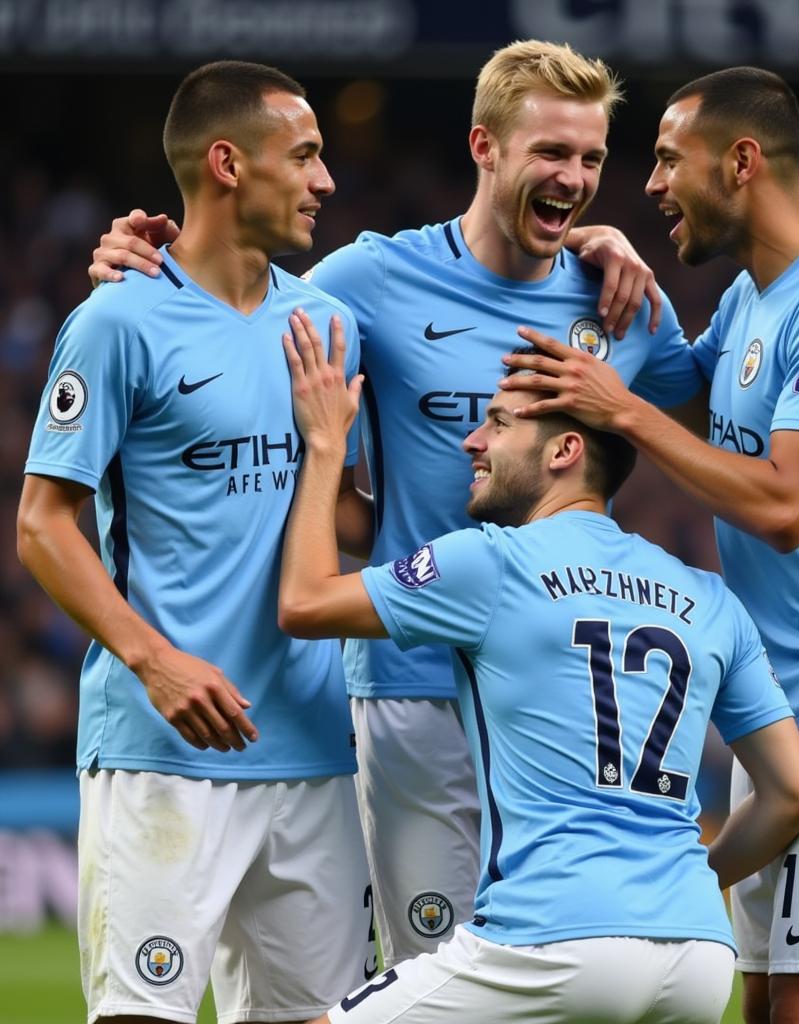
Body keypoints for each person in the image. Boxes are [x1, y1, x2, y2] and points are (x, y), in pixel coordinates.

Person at [86, 40, 703, 968]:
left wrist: (618, 246)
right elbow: (236, 296)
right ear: (484, 146)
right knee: (429, 978)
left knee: (571, 974)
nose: (574, 178)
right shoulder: (367, 281)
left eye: (591, 159)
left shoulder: (621, 304)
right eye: (551, 152)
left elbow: (703, 412)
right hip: (413, 690)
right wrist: (143, 251)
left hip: (560, 697)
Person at [502, 67, 799, 1024]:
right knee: (753, 1002)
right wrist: (620, 259)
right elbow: (678, 385)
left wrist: (619, 406)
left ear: (742, 161)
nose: (654, 181)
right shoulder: (756, 303)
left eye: (670, 159)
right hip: (784, 711)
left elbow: (790, 503)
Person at [276, 310, 799, 1024]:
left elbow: (305, 602)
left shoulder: (492, 562)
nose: (472, 440)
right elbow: (794, 797)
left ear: (564, 451)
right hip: (694, 953)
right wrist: (681, 888)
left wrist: (324, 447)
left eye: (498, 424)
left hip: (552, 940)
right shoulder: (707, 596)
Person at [17, 62, 374, 1024]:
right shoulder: (118, 320)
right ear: (227, 163)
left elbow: (363, 526)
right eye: (303, 156)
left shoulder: (332, 324)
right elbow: (44, 524)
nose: (324, 180)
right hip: (164, 751)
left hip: (312, 748)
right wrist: (157, 661)